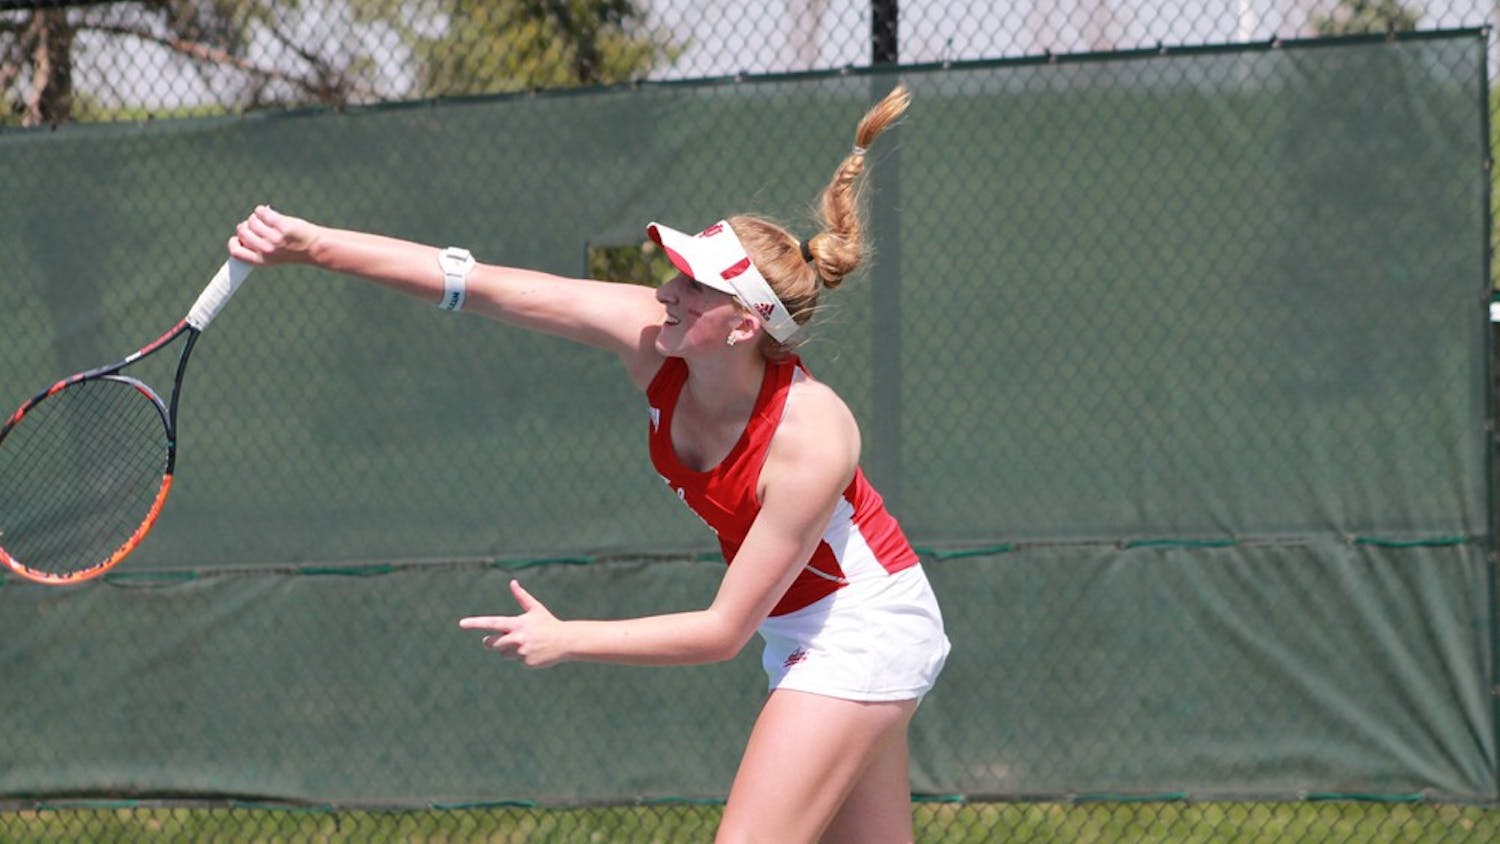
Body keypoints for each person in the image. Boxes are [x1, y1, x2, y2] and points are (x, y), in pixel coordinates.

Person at [227, 83, 948, 844]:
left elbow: (721, 630)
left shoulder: (813, 436)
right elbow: (483, 286)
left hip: (861, 627)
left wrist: (569, 637)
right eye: (674, 273)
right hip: (810, 629)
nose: (668, 291)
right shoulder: (649, 335)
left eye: (694, 287)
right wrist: (314, 247)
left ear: (743, 326)